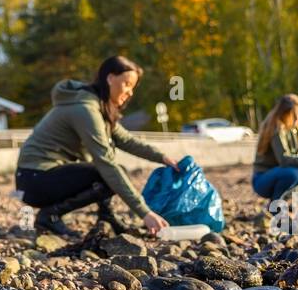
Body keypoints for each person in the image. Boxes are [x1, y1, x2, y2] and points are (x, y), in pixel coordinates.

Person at [15, 56, 179, 238]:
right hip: (34, 180)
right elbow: (105, 162)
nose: (130, 92)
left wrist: (163, 158)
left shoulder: (98, 108)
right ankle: (50, 215)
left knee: (113, 172)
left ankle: (106, 216)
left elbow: (127, 140)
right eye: (126, 84)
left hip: (40, 177)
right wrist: (145, 213)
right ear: (110, 78)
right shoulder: (86, 110)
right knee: (107, 172)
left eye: (133, 87)